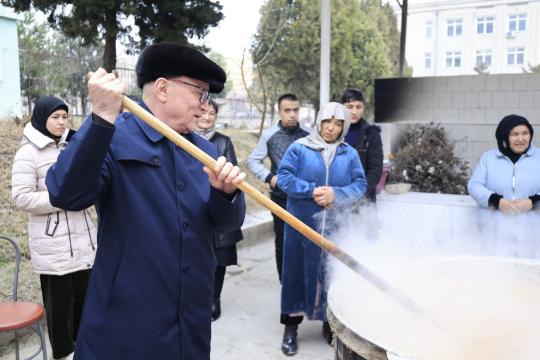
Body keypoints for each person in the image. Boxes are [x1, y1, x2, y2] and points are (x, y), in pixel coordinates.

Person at [45, 42, 246, 359]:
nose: (205, 106)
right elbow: (65, 193)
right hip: (127, 327)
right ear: (164, 89)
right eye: (200, 93)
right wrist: (100, 118)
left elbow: (226, 225)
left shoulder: (206, 153)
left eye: (209, 97)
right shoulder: (112, 137)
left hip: (190, 323)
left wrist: (227, 194)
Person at [276, 102, 367, 355]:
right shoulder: (300, 148)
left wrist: (337, 194)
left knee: (330, 276)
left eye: (338, 124)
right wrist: (311, 190)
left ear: (344, 127)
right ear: (319, 122)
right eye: (327, 122)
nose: (331, 128)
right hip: (301, 227)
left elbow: (360, 184)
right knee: (295, 275)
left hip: (336, 228)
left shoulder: (349, 154)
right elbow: (284, 178)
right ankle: (291, 328)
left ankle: (329, 324)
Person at [11, 96, 97, 360]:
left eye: (65, 117)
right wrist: (60, 200)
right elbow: (21, 197)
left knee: (85, 304)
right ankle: (63, 354)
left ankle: (85, 351)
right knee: (60, 312)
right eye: (55, 117)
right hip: (53, 245)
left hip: (84, 240)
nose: (61, 122)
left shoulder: (73, 145)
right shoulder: (28, 153)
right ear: (41, 118)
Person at [245, 94, 309, 282]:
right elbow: (252, 160)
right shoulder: (269, 135)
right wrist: (270, 177)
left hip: (305, 198)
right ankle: (285, 281)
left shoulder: (309, 134)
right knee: (282, 242)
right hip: (280, 199)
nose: (292, 114)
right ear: (279, 112)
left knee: (306, 240)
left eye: (295, 110)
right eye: (287, 110)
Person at [194, 98, 243, 321]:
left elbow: (232, 171)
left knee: (218, 261)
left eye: (211, 113)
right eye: (203, 112)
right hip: (195, 206)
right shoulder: (185, 138)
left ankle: (214, 299)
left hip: (217, 201)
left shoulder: (223, 141)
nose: (206, 116)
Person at [468, 115, 540, 256]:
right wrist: (497, 201)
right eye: (514, 134)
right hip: (494, 231)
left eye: (525, 133)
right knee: (496, 273)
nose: (521, 139)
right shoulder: (488, 158)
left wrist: (533, 201)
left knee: (528, 274)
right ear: (504, 136)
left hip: (532, 233)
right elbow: (474, 185)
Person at [341, 89, 383, 202]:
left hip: (363, 202)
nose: (354, 112)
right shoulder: (334, 131)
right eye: (350, 107)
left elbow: (375, 170)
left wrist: (356, 192)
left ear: (364, 108)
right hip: (336, 200)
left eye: (358, 107)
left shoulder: (371, 134)